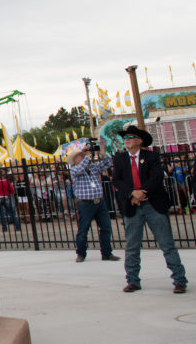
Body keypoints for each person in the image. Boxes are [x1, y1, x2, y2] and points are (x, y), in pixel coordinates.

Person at [110, 125, 187, 294]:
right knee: (132, 246)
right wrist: (132, 193)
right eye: (125, 137)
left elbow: (157, 176)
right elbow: (116, 180)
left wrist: (142, 193)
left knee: (167, 244)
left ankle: (179, 280)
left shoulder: (151, 156)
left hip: (153, 205)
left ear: (140, 140)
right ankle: (132, 280)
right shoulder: (120, 159)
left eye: (130, 136)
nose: (127, 139)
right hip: (132, 206)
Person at [67, 147, 120, 262]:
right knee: (83, 229)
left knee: (106, 228)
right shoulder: (74, 170)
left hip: (99, 202)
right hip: (85, 204)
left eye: (83, 155)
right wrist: (87, 156)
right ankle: (81, 253)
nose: (83, 157)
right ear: (75, 159)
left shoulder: (93, 167)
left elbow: (107, 164)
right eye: (80, 156)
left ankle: (107, 253)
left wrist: (103, 153)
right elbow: (81, 167)